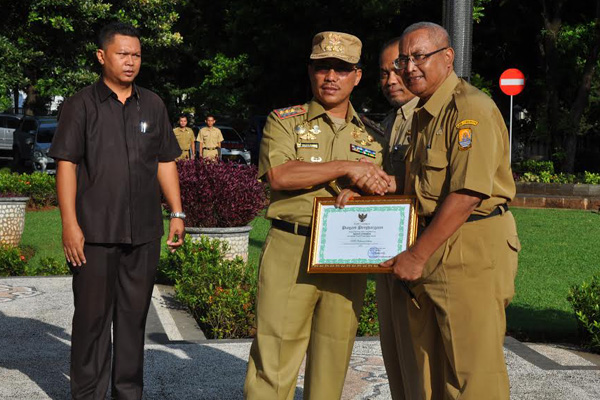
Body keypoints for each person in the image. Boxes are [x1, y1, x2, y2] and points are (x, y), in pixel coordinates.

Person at [244, 31, 390, 400]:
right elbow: (280, 175)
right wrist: (346, 167)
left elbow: (387, 191)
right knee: (274, 359)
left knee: (333, 357)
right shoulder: (285, 121)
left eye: (341, 69)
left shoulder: (374, 138)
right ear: (310, 71)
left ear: (357, 76)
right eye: (323, 67)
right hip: (291, 247)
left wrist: (366, 192)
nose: (331, 77)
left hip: (346, 255)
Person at [379, 22, 520, 399]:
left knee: (472, 373)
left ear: (447, 57)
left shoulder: (468, 107)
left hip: (469, 245)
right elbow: (424, 186)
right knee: (431, 368)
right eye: (404, 60)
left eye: (419, 57)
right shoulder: (426, 113)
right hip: (435, 240)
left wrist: (416, 254)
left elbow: (467, 193)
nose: (409, 68)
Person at [49, 22, 185, 400]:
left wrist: (177, 212)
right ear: (102, 56)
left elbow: (165, 160)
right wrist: (69, 225)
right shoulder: (81, 105)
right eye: (122, 54)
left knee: (132, 322)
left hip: (143, 234)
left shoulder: (153, 104)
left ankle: (128, 393)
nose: (130, 61)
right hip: (93, 235)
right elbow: (66, 166)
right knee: (92, 323)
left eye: (136, 55)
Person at [375, 37, 420, 400]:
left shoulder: (428, 116)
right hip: (389, 250)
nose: (391, 79)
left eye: (397, 69)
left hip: (421, 252)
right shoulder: (391, 121)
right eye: (384, 73)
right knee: (394, 350)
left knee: (420, 354)